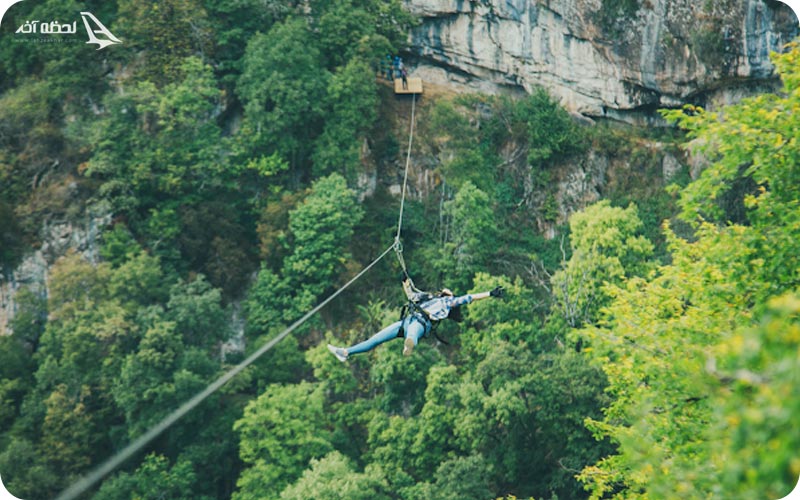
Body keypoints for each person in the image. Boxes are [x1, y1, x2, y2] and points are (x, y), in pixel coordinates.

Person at [327, 279, 504, 361]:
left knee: (413, 334)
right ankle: (346, 352)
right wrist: (404, 279)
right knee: (374, 340)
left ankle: (409, 344)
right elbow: (411, 294)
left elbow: (469, 297)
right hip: (407, 321)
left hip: (420, 324)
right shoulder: (427, 297)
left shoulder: (448, 303)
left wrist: (489, 293)